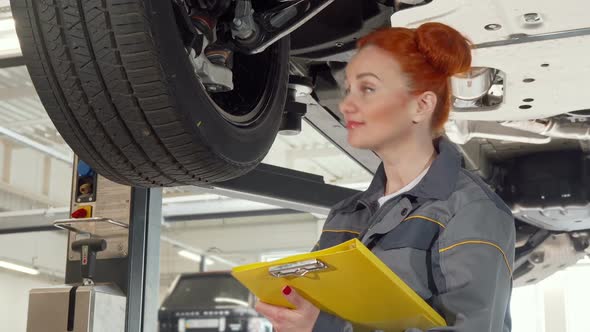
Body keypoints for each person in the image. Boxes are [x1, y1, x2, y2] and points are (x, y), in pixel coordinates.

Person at [255, 22, 516, 332]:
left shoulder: (471, 211)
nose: (346, 104)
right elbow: (319, 311)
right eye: (349, 89)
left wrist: (327, 328)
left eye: (368, 89)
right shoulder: (346, 215)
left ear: (421, 105)